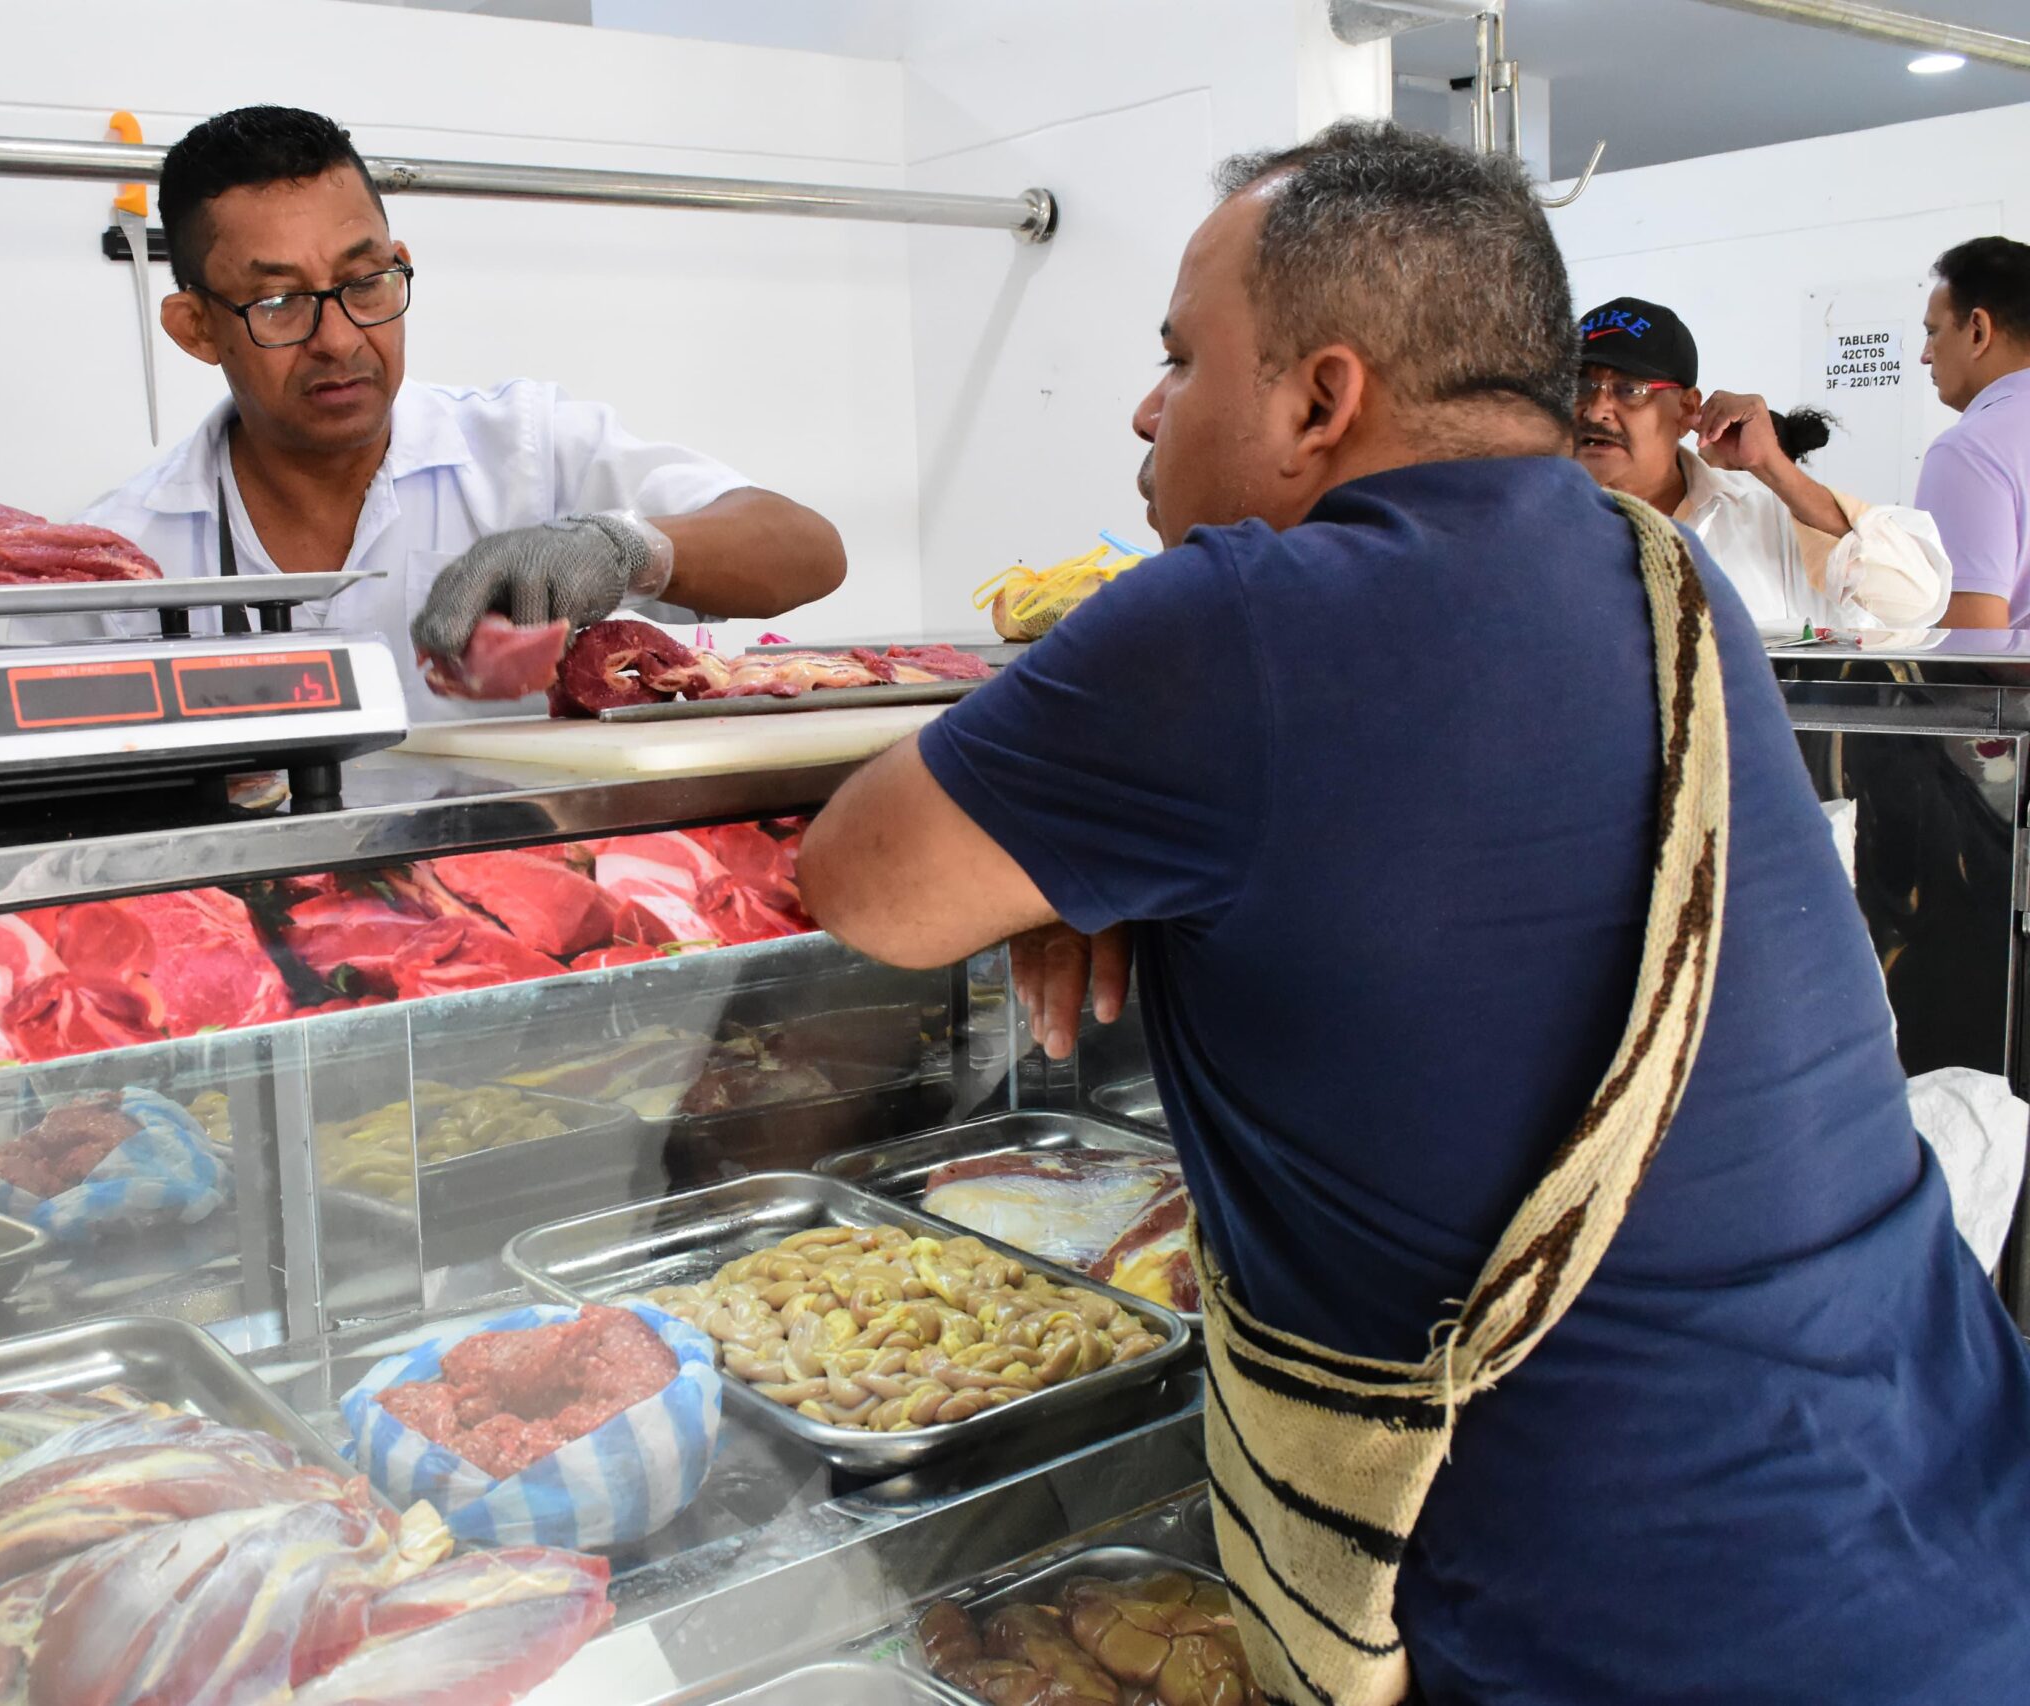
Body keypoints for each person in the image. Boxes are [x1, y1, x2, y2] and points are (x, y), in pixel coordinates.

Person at [798, 121, 2030, 1702]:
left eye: (1179, 357)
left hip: (1633, 1633)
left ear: (1319, 398)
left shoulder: (1231, 624)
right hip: (1952, 1521)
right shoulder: (1667, 576)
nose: (1143, 407)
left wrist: (1092, 798)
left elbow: (862, 881)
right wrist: (1096, 835)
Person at [47, 106, 846, 717]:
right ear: (197, 329)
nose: (337, 339)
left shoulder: (524, 450)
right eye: (279, 302)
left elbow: (807, 550)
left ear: (399, 269)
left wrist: (626, 550)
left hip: (530, 910)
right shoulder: (119, 560)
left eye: (364, 283)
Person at [1571, 295, 1951, 629]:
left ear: (1688, 407)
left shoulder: (1763, 516)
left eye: (1630, 390)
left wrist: (1773, 468)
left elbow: (1915, 600)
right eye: (1580, 387)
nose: (1597, 409)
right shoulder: (1534, 523)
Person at [1918, 236, 2030, 629]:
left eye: (1933, 332)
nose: (1925, 355)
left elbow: (1970, 651)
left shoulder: (1970, 450)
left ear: (1978, 330)